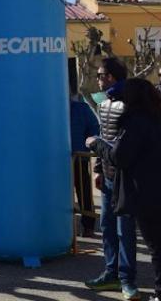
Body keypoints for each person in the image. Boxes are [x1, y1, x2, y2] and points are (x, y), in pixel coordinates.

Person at [87, 78, 161, 301]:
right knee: (160, 244)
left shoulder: (136, 122)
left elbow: (120, 156)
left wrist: (96, 144)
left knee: (157, 246)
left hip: (146, 193)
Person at [85, 57, 140, 300]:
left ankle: (127, 280)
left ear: (111, 77)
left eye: (100, 75)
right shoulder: (104, 103)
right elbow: (103, 136)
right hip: (108, 176)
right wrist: (98, 169)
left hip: (125, 178)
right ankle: (111, 273)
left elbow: (127, 142)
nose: (97, 79)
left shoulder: (131, 104)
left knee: (124, 230)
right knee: (107, 226)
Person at [70, 73, 100, 237]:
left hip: (78, 158)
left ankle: (88, 225)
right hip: (55, 161)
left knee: (84, 193)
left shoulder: (81, 109)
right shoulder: (49, 110)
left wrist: (90, 144)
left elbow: (95, 129)